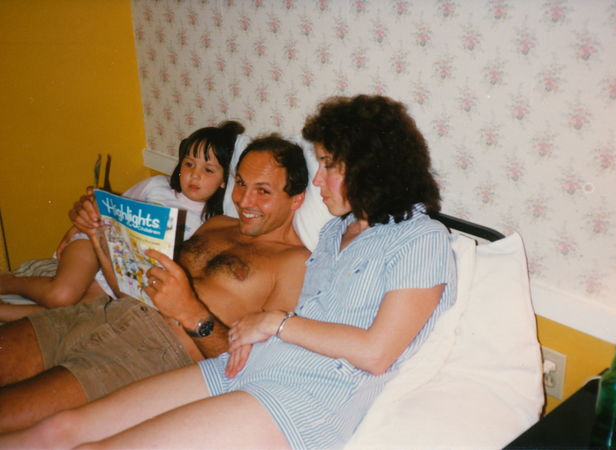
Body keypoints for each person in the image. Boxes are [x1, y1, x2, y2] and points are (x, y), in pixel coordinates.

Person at [1, 95, 458, 449]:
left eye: (329, 166)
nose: (319, 181)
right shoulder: (335, 233)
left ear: (372, 167)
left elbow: (377, 353)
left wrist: (274, 323)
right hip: (241, 366)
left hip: (300, 398)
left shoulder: (422, 238)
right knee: (60, 430)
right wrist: (254, 331)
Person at [0, 135, 310, 432]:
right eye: (241, 183)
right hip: (100, 313)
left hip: (147, 352)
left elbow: (254, 369)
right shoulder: (217, 225)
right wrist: (98, 236)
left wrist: (192, 313)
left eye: (263, 191)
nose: (243, 200)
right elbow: (128, 289)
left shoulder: (294, 263)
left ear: (296, 200)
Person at [0, 121, 244, 322]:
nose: (195, 174)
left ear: (225, 181)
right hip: (94, 241)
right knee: (61, 296)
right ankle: (9, 282)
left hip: (124, 270)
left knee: (75, 314)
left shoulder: (212, 223)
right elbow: (108, 208)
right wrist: (75, 229)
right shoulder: (156, 186)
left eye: (208, 170)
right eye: (189, 164)